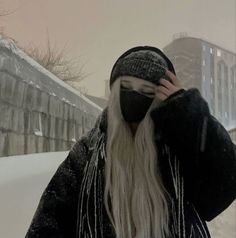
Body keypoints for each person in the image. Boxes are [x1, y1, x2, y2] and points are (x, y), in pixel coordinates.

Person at [25, 46, 236, 238]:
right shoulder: (87, 153)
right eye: (126, 86)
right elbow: (49, 222)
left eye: (147, 91)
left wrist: (189, 113)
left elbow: (225, 184)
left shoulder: (179, 148)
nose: (134, 96)